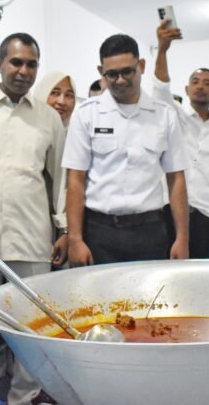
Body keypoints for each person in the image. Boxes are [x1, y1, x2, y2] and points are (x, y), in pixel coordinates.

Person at [0, 33, 68, 405]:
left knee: (32, 330)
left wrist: (63, 228)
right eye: (16, 62)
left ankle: (23, 399)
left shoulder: (48, 118)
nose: (23, 71)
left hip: (32, 239)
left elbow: (59, 178)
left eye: (31, 64)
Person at [63, 33, 189, 266]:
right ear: (101, 71)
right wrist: (75, 239)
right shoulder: (87, 114)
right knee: (98, 300)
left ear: (141, 66)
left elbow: (176, 178)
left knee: (151, 300)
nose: (120, 80)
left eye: (127, 72)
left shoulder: (164, 115)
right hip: (99, 232)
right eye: (112, 74)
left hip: (150, 231)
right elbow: (75, 180)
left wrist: (182, 238)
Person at [153, 19, 209, 258]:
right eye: (195, 82)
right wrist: (163, 49)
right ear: (186, 90)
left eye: (207, 83)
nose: (200, 87)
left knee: (201, 277)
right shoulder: (174, 115)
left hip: (206, 214)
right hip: (172, 212)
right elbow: (161, 88)